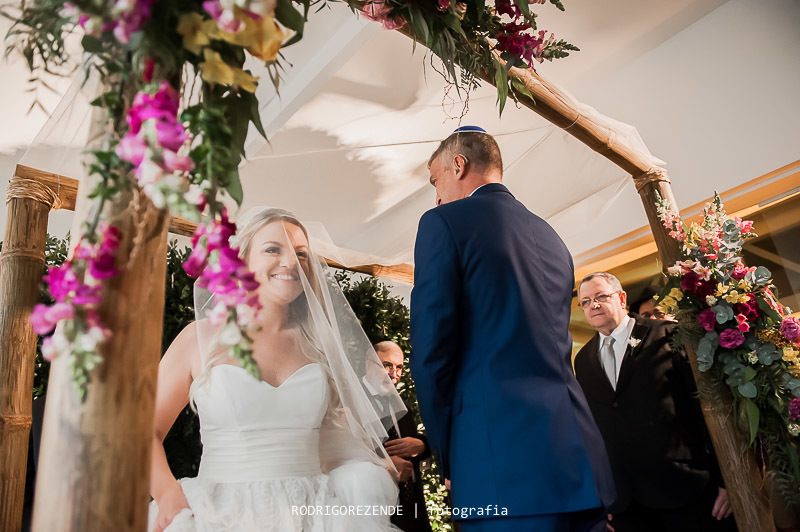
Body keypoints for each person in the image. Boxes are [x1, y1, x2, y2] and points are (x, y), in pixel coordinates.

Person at [410, 126, 616, 531]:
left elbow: (431, 352)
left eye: (435, 180)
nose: (435, 195)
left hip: (500, 465)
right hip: (579, 461)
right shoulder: (552, 236)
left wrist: (447, 452)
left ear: (458, 164)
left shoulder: (443, 223)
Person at [149, 208, 406, 532]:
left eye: (300, 254)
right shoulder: (200, 338)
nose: (290, 262)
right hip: (220, 515)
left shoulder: (319, 347)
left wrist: (368, 466)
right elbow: (144, 431)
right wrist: (168, 494)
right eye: (273, 249)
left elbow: (330, 441)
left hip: (314, 516)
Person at [573, 272, 735, 532]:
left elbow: (707, 408)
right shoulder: (582, 359)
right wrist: (602, 497)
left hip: (687, 488)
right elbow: (591, 431)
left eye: (601, 296)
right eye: (586, 301)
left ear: (622, 298)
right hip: (627, 503)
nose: (593, 305)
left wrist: (726, 479)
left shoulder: (668, 334)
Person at [375, 341, 433, 532]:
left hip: (412, 507)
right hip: (375, 506)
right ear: (369, 362)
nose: (395, 373)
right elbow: (342, 452)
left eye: (399, 367)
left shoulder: (403, 405)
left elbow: (415, 442)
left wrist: (421, 445)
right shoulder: (352, 400)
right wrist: (385, 464)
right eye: (387, 365)